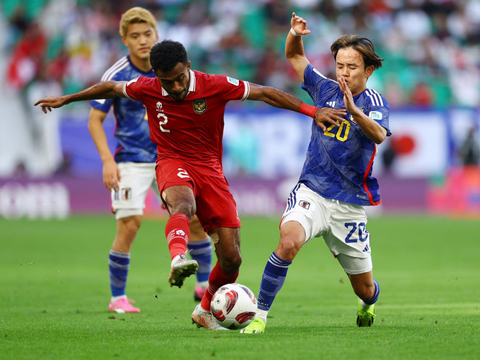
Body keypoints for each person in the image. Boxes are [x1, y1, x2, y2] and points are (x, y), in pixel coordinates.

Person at [35, 39, 338, 329]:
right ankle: (179, 256)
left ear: (189, 66)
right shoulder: (147, 88)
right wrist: (68, 99)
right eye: (169, 81)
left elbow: (265, 93)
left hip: (211, 171)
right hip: (171, 161)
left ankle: (204, 310)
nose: (176, 87)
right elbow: (111, 87)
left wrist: (313, 111)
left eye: (181, 78)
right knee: (184, 205)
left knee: (232, 260)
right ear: (156, 76)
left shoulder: (215, 85)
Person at [241, 13, 391, 334]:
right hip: (312, 191)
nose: (344, 73)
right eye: (340, 65)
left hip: (349, 205)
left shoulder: (375, 102)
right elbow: (295, 55)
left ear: (368, 70)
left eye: (352, 67)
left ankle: (368, 304)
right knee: (288, 242)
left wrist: (355, 113)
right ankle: (259, 316)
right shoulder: (324, 89)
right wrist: (295, 33)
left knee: (364, 289)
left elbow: (378, 134)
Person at [86, 7, 213, 313]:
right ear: (124, 39)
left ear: (157, 34)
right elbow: (94, 120)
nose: (142, 40)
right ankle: (118, 297)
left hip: (172, 157)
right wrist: (107, 160)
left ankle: (204, 286)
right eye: (135, 36)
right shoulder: (116, 74)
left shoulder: (171, 68)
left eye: (147, 34)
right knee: (130, 224)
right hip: (131, 159)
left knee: (195, 218)